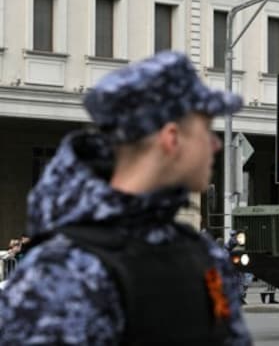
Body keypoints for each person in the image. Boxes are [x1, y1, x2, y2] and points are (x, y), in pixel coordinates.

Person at [0, 51, 252, 345]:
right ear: (171, 138)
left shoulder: (202, 254)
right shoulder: (63, 273)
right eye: (205, 129)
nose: (215, 144)